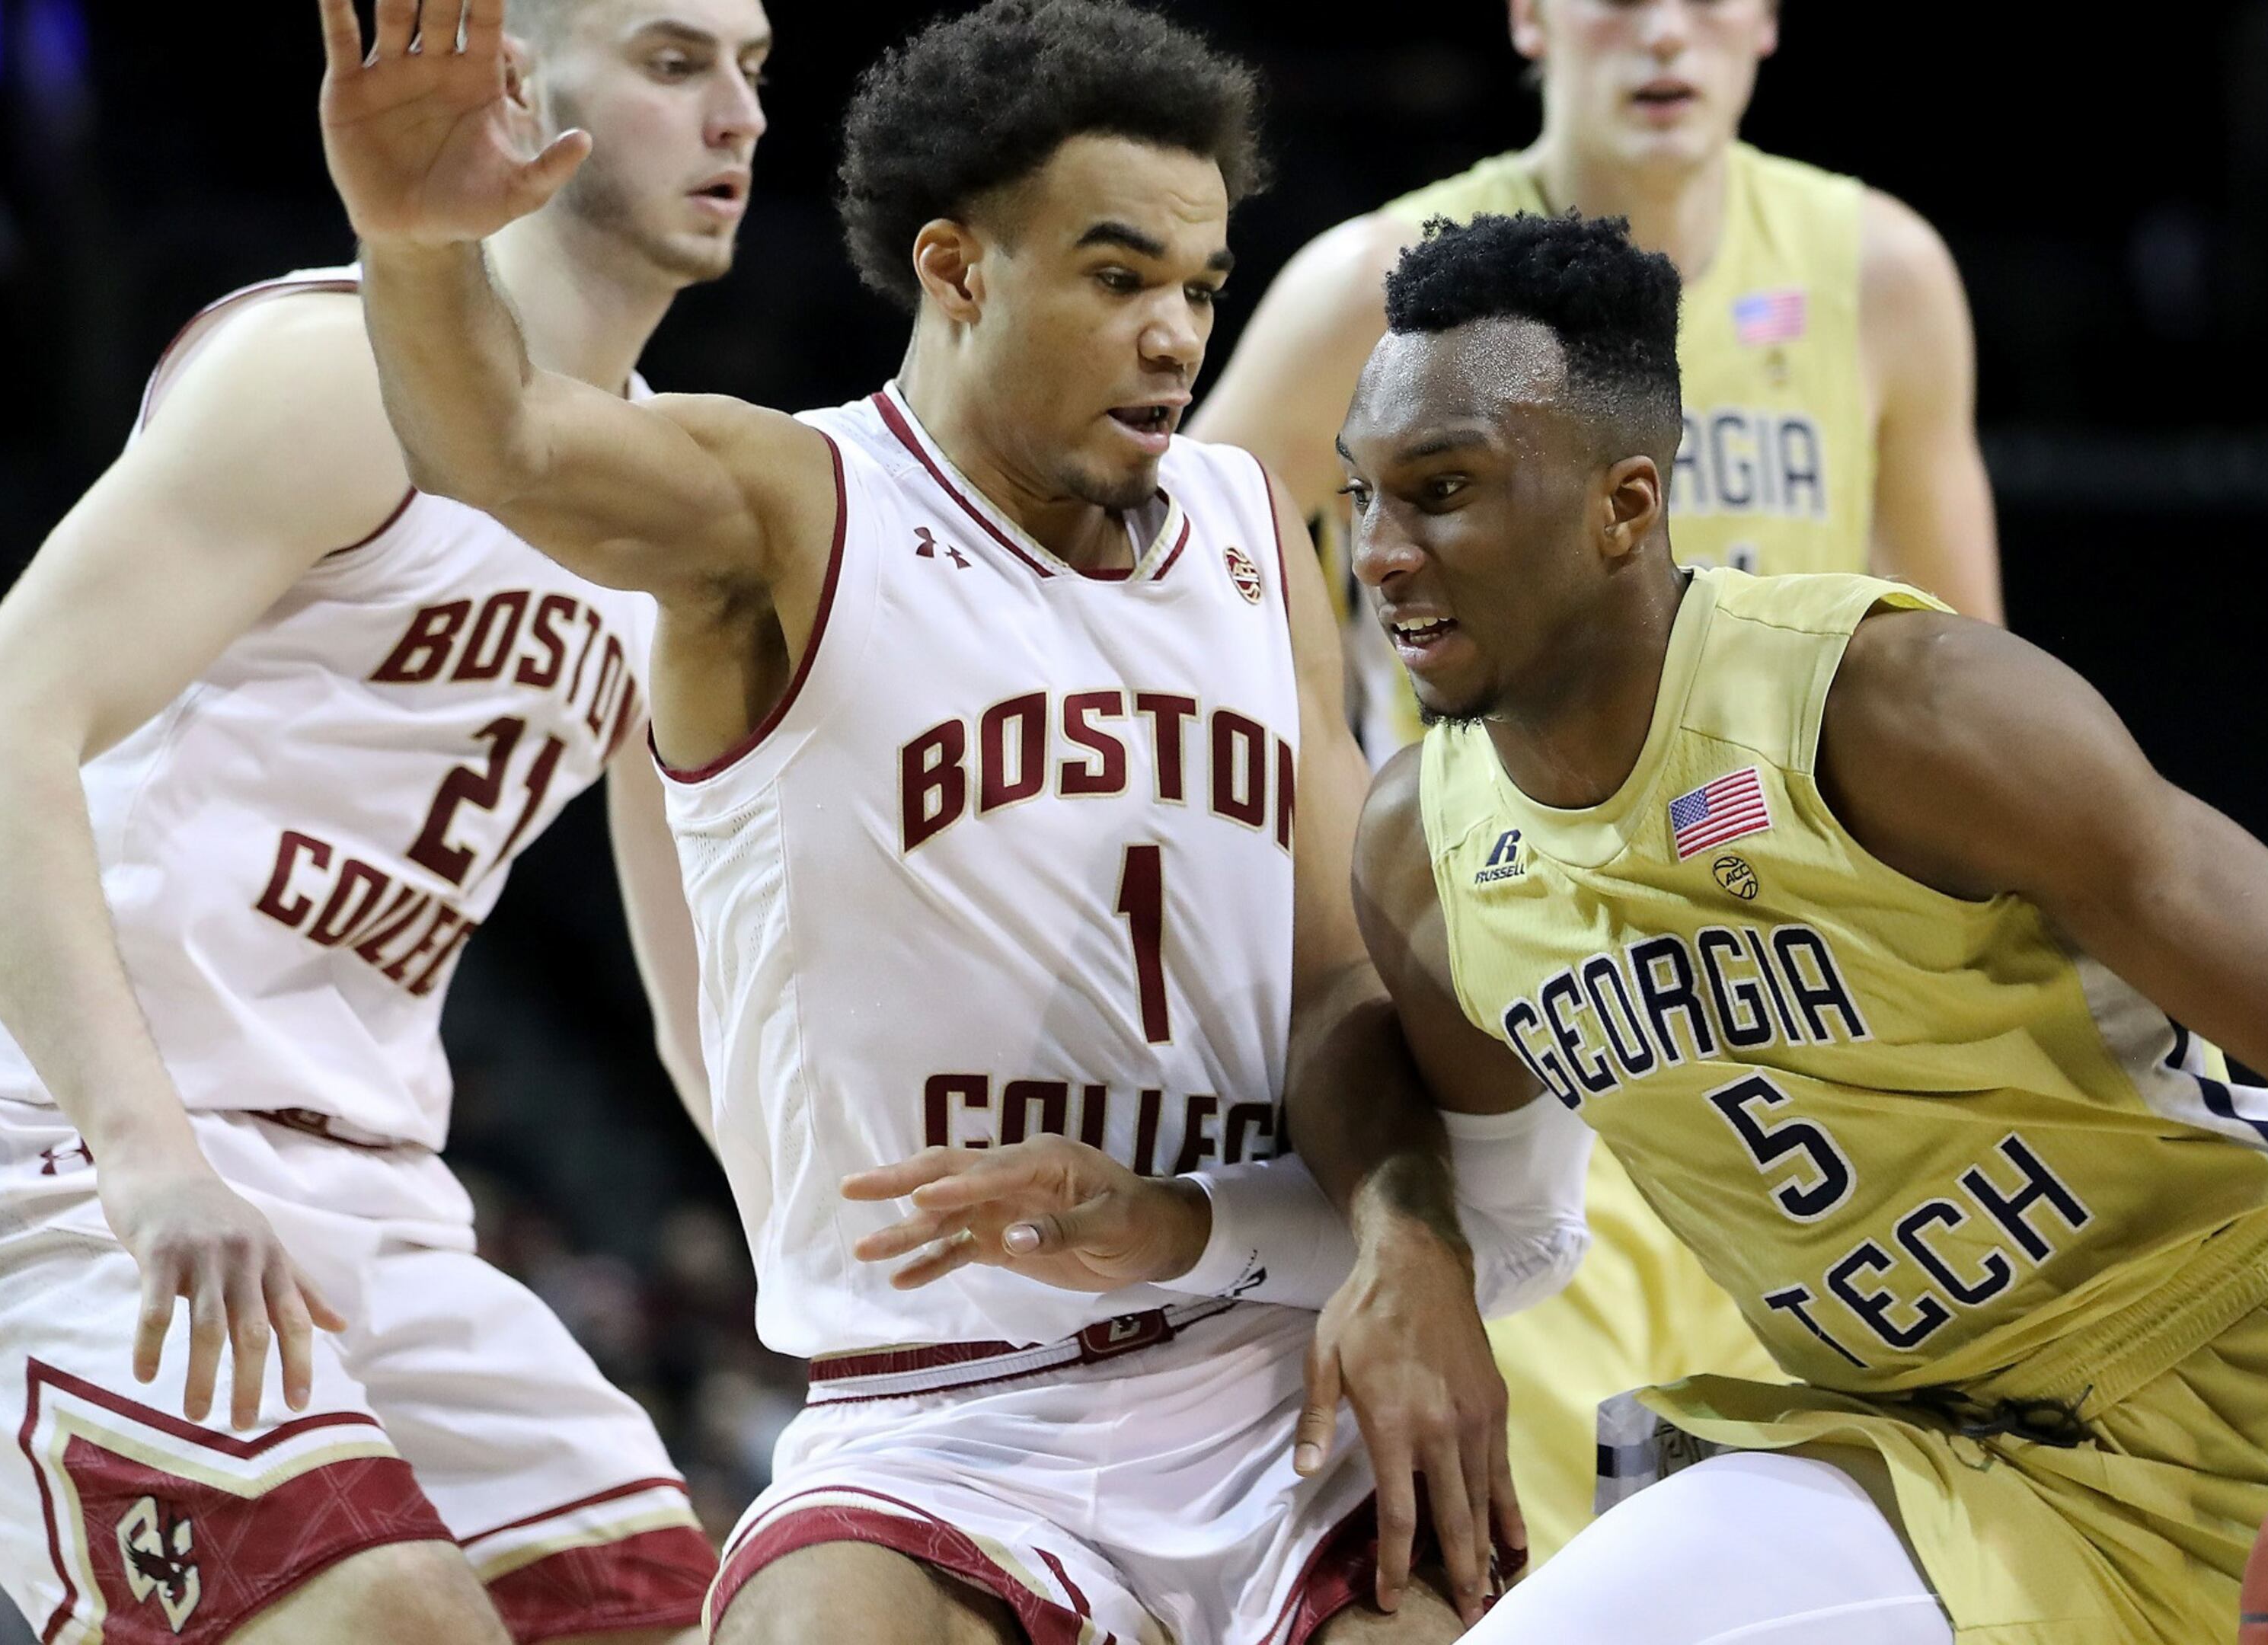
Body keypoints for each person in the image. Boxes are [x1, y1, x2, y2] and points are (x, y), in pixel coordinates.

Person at [313, 1, 1560, 1639]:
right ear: (961, 271)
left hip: (1274, 1384)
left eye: (1199, 288)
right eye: (1120, 280)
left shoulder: (1252, 525)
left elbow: (1339, 984)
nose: (1178, 335)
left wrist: (1408, 1249)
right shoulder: (790, 509)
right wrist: (415, 250)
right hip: (942, 1420)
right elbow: (512, 445)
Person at [1334, 212, 2268, 1645]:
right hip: (1941, 1451)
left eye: (1441, 491)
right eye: (1363, 496)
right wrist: (1399, 1241)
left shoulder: (1903, 710)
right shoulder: (1427, 855)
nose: (1382, 552)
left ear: (1623, 505)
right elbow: (1461, 1174)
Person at [0, 2, 775, 1640]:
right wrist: (147, 1162)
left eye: (755, 70)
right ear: (521, 84)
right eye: (675, 63)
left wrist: (874, 1311)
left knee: (693, 1620)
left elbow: (702, 1007)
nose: (737, 116)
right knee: (389, 1620)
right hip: (70, 1152)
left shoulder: (665, 504)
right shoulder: (328, 372)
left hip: (375, 1200)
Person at [1192, 0, 1999, 1551]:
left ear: (1768, 22)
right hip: (1526, 978)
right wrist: (1340, 790)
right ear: (1534, 17)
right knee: (1552, 1541)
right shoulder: (1381, 277)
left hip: (1809, 988)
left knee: (1809, 1540)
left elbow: (1967, 655)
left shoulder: (1876, 270)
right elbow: (1194, 557)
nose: (1666, 34)